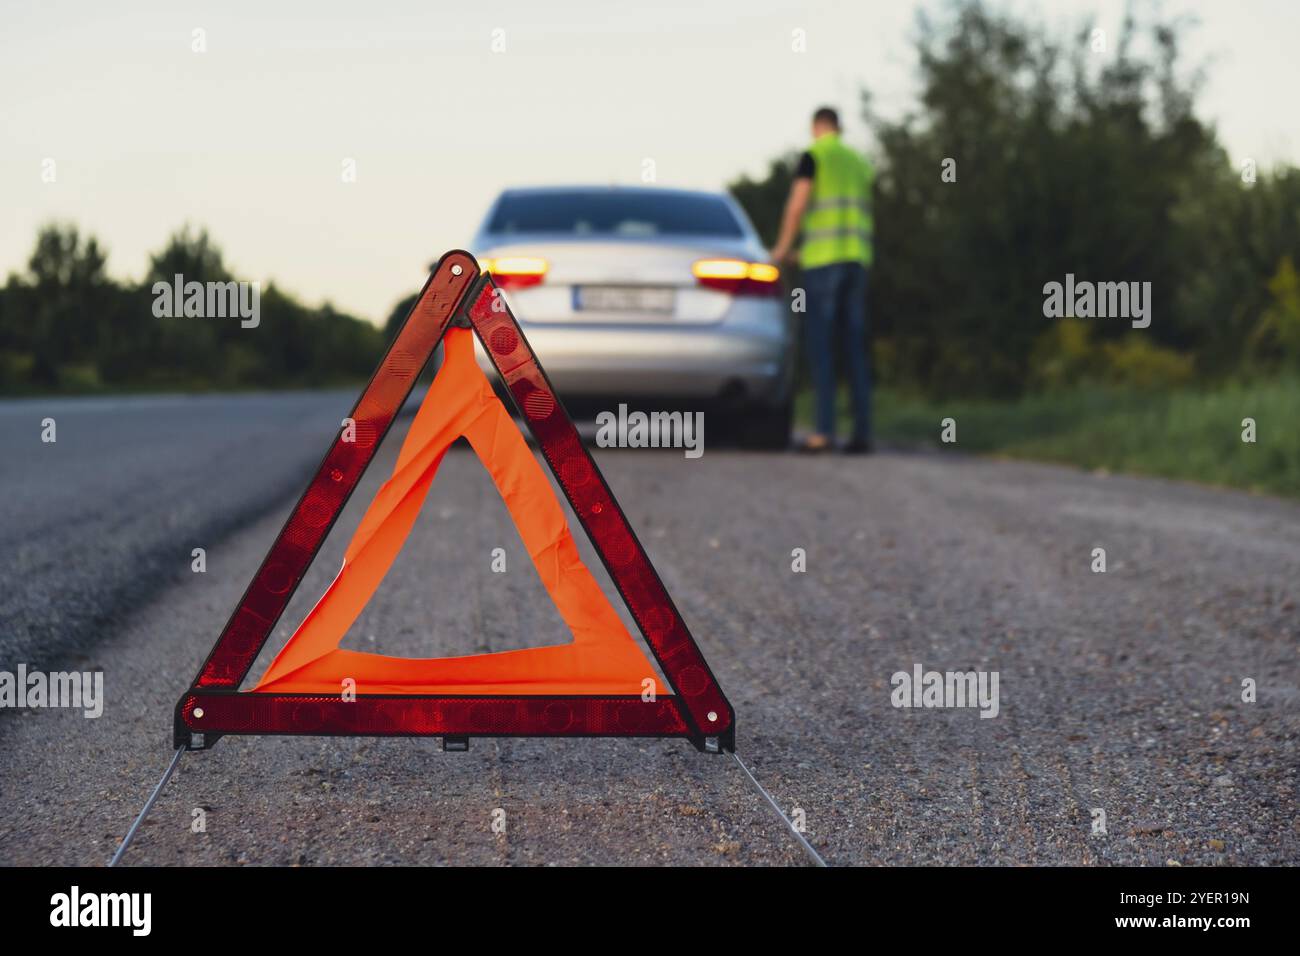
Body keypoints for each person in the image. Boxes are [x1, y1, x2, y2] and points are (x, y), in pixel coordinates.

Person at [770, 106, 874, 454]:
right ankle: (862, 434)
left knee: (822, 345)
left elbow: (798, 206)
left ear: (816, 126)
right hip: (856, 259)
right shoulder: (858, 161)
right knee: (855, 348)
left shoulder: (814, 155)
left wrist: (783, 248)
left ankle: (824, 432)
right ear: (839, 127)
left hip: (823, 265)